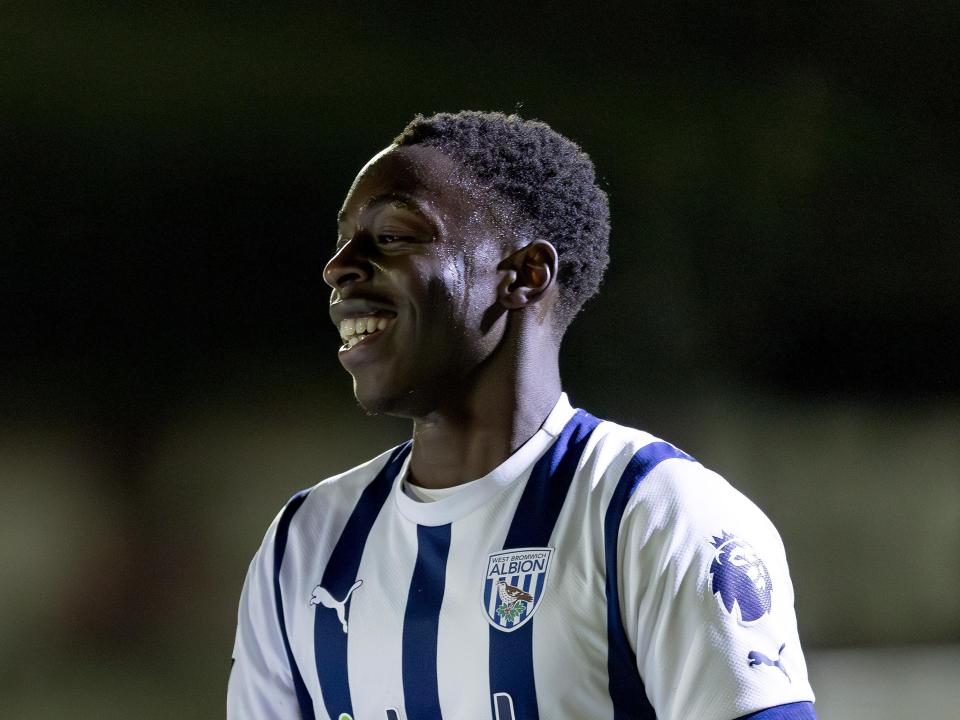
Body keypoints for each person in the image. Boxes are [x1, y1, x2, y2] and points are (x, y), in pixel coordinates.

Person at [227, 111, 817, 720]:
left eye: (395, 235)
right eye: (344, 239)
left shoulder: (656, 515)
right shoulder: (303, 545)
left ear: (525, 275)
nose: (339, 267)